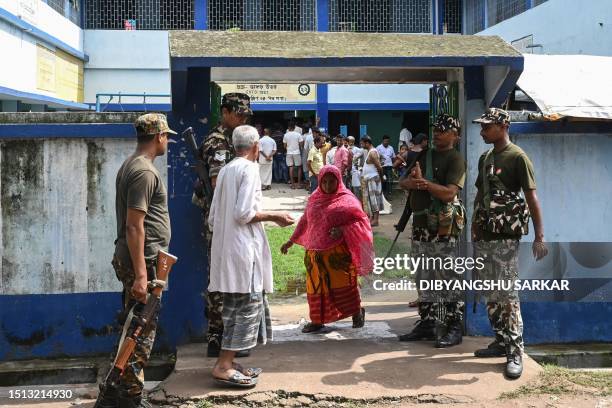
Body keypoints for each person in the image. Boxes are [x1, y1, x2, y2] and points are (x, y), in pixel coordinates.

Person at [96, 113, 175, 408]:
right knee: (140, 332)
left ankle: (121, 393)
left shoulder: (132, 165)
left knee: (135, 326)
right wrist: (142, 275)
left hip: (140, 260)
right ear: (158, 137)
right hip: (144, 263)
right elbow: (133, 225)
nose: (167, 140)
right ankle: (129, 398)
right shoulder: (144, 171)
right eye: (166, 136)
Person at [208, 125, 295, 388]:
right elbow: (244, 213)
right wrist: (275, 216)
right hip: (243, 251)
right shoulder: (249, 169)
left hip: (228, 250)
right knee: (246, 309)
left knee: (233, 309)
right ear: (256, 146)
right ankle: (223, 365)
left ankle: (228, 361)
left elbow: (213, 217)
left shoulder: (225, 170)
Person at [471, 108, 548, 379]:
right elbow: (480, 194)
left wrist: (539, 236)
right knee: (491, 291)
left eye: (487, 127)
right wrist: (473, 227)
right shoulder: (486, 157)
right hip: (486, 235)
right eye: (482, 127)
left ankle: (515, 351)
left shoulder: (518, 157)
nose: (482, 131)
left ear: (504, 126)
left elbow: (532, 198)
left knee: (507, 294)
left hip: (506, 236)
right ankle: (501, 340)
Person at [398, 114, 466, 349]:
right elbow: (403, 183)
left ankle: (454, 326)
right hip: (420, 226)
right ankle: (427, 323)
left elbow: (449, 193)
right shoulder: (423, 155)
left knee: (446, 278)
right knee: (423, 276)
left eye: (444, 129)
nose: (437, 133)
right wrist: (415, 183)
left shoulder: (456, 159)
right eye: (436, 129)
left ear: (455, 136)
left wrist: (424, 184)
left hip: (442, 229)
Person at [192, 93, 253, 358]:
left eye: (245, 116)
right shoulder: (217, 142)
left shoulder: (233, 140)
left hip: (230, 219)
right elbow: (218, 185)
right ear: (225, 111)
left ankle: (226, 335)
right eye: (238, 114)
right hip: (221, 221)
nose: (242, 119)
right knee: (220, 275)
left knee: (230, 274)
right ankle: (218, 335)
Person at [281, 165, 374, 333]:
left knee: (344, 285)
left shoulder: (348, 200)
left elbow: (362, 222)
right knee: (315, 286)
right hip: (314, 252)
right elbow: (305, 221)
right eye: (324, 181)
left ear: (338, 181)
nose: (328, 185)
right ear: (319, 181)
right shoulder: (314, 199)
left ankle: (356, 312)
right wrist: (291, 240)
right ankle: (317, 320)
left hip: (337, 254)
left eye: (332, 181)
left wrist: (342, 229)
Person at [283, 121, 304, 189]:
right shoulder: (298, 134)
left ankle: (292, 184)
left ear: (288, 127)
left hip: (289, 153)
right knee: (299, 167)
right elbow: (301, 145)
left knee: (291, 167)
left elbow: (284, 146)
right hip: (297, 152)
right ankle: (298, 184)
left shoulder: (286, 135)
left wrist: (289, 148)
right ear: (294, 127)